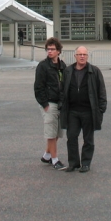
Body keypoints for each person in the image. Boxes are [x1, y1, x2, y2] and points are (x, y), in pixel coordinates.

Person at [61, 46, 107, 173]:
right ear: (75, 56)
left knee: (88, 139)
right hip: (72, 111)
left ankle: (86, 163)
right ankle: (73, 163)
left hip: (89, 111)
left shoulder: (95, 71)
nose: (82, 56)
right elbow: (62, 90)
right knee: (71, 137)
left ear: (87, 56)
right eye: (79, 54)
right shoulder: (68, 71)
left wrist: (101, 109)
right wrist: (61, 105)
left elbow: (101, 91)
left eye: (84, 54)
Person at [33, 37, 67, 170]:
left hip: (60, 103)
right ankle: (55, 160)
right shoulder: (43, 66)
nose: (50, 51)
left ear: (58, 51)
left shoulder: (62, 66)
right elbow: (38, 87)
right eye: (48, 49)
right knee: (51, 133)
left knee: (58, 132)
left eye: (53, 49)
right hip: (49, 103)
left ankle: (47, 155)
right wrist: (44, 103)